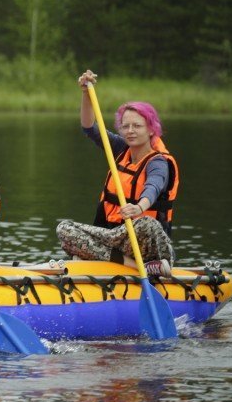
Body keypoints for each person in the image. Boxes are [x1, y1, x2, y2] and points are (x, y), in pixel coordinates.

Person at [55, 69, 179, 275]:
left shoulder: (158, 162)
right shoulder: (120, 148)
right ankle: (130, 266)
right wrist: (86, 93)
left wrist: (140, 207)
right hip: (114, 237)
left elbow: (153, 187)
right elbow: (89, 127)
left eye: (137, 126)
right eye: (126, 126)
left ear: (151, 130)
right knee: (64, 229)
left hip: (145, 242)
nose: (130, 130)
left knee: (147, 224)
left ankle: (136, 263)